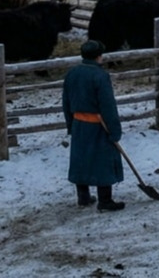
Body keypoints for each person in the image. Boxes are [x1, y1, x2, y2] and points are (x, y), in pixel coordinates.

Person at [62, 39, 125, 212]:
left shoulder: (72, 73)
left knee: (81, 159)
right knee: (102, 160)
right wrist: (114, 130)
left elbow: (66, 101)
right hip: (98, 125)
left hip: (79, 124)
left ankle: (83, 197)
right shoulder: (100, 76)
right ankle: (105, 200)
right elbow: (108, 105)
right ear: (99, 56)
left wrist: (70, 124)